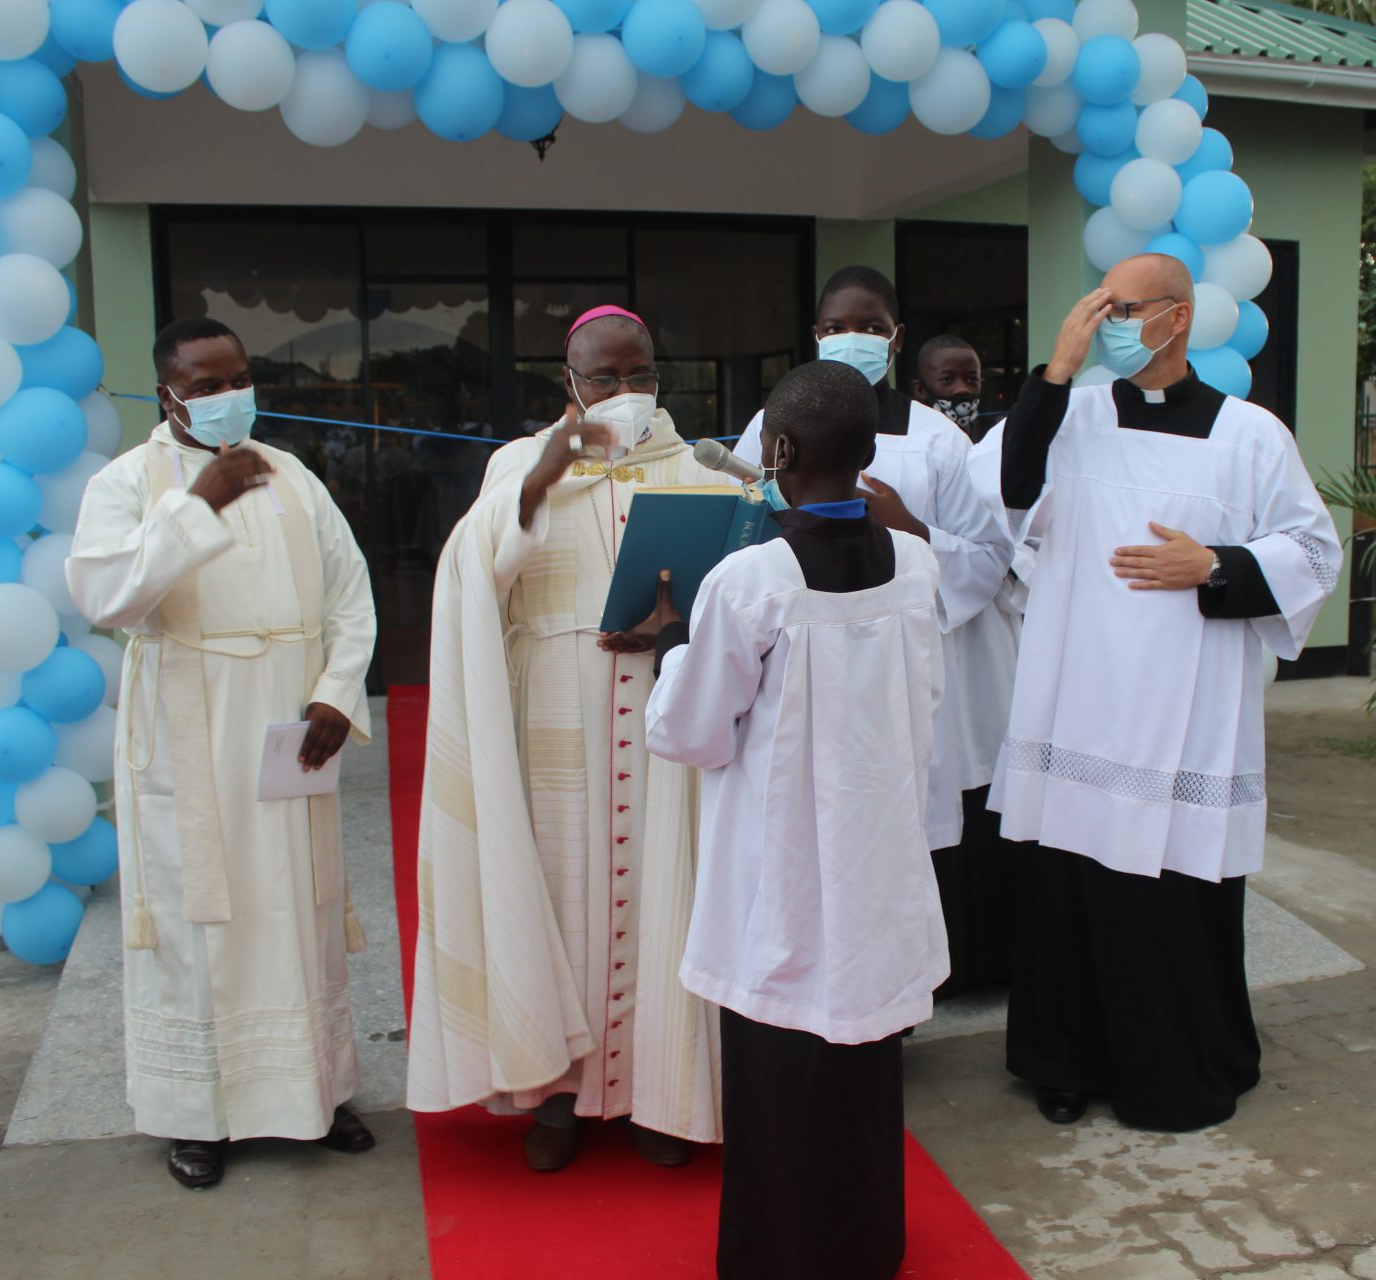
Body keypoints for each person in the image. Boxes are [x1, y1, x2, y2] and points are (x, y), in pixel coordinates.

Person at [993, 255, 1341, 1133]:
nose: (1109, 320)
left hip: (1185, 708)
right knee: (1069, 884)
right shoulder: (1068, 416)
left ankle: (1175, 1066)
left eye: (1127, 308)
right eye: (1099, 306)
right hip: (1076, 696)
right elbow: (1010, 489)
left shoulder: (1252, 435)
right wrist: (1058, 367)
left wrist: (1219, 564)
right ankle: (1062, 1062)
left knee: (1167, 894)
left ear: (1177, 318)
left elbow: (1314, 550)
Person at [644, 360, 948, 1280]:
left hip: (781, 872)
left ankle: (784, 1253)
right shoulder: (918, 560)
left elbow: (693, 732)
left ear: (774, 451)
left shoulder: (750, 581)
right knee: (860, 1067)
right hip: (879, 854)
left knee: (782, 1073)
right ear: (866, 455)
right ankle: (866, 1244)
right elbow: (923, 695)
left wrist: (671, 645)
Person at [406, 306, 727, 1172]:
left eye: (640, 375)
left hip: (665, 720)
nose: (624, 393)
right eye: (605, 378)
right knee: (554, 899)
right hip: (553, 717)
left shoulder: (698, 468)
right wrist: (539, 482)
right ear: (569, 382)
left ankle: (665, 1098)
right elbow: (470, 578)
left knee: (669, 899)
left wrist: (679, 624)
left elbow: (742, 590)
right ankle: (553, 1096)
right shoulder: (516, 462)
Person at [65, 317, 379, 1189]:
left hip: (288, 717)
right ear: (166, 392)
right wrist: (197, 504)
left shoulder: (294, 476)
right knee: (201, 912)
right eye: (203, 385)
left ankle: (315, 1092)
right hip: (189, 723)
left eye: (235, 378)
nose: (223, 396)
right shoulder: (128, 483)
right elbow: (106, 596)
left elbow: (352, 595)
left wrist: (335, 692)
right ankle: (196, 1114)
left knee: (297, 905)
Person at [735, 267, 1010, 876]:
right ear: (815, 335)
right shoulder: (771, 424)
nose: (850, 337)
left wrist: (911, 527)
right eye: (836, 327)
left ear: (896, 336)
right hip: (801, 653)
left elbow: (990, 556)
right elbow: (741, 530)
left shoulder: (938, 441)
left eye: (869, 327)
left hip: (900, 657)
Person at [910, 334, 1019, 994]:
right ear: (918, 391)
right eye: (946, 382)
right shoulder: (921, 444)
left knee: (980, 794)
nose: (961, 394)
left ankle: (989, 961)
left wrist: (919, 536)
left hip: (983, 647)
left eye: (970, 381)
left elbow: (997, 556)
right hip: (921, 640)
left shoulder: (996, 454)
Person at [910, 333, 985, 439]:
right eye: (947, 380)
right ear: (920, 390)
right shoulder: (910, 446)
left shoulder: (994, 442)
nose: (962, 389)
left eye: (971, 379)